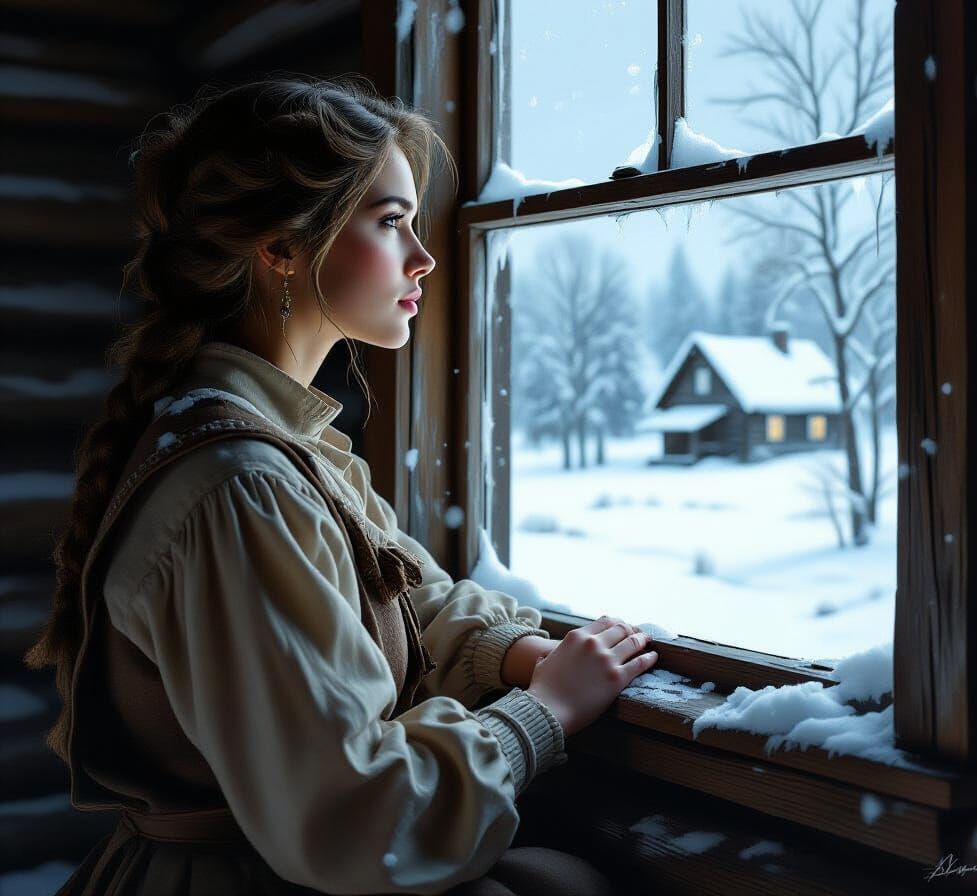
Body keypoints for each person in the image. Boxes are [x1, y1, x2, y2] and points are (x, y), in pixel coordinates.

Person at [24, 75, 659, 895]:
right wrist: (547, 712)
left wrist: (516, 654)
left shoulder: (286, 447)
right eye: (391, 221)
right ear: (281, 247)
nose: (424, 256)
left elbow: (403, 602)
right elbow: (360, 814)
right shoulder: (241, 487)